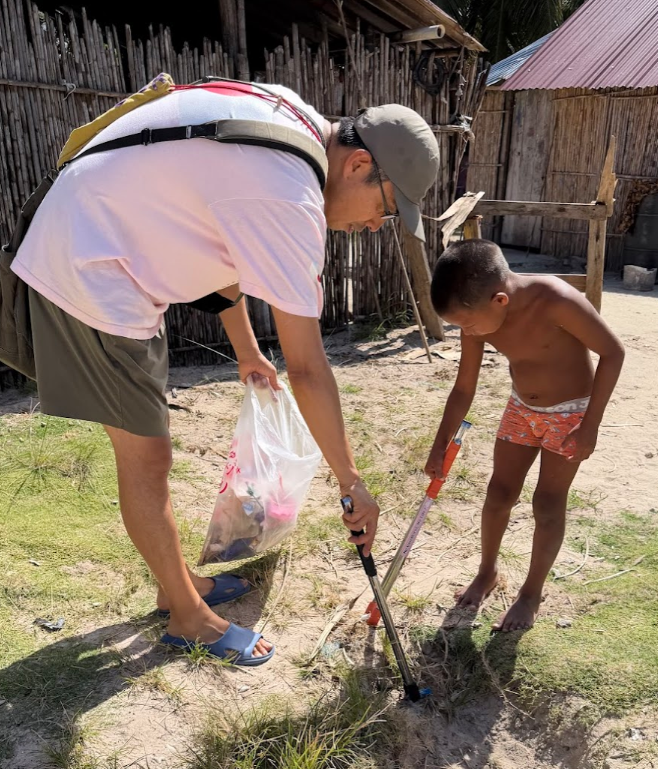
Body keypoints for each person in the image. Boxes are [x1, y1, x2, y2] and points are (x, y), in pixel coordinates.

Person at [7, 79, 440, 664]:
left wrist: (246, 349)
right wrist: (351, 482)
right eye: (386, 209)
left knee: (149, 446)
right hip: (86, 265)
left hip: (101, 241)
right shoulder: (290, 195)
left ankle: (177, 585)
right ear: (359, 164)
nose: (374, 225)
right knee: (146, 456)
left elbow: (224, 239)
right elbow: (308, 368)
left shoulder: (290, 117)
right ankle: (187, 617)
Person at [425, 240, 624, 632]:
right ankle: (487, 572)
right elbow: (464, 388)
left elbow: (613, 353)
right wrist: (439, 444)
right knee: (499, 493)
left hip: (570, 415)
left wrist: (590, 426)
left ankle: (531, 594)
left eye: (467, 325)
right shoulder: (477, 315)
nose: (466, 332)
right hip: (521, 408)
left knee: (547, 503)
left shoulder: (555, 300)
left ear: (499, 300)